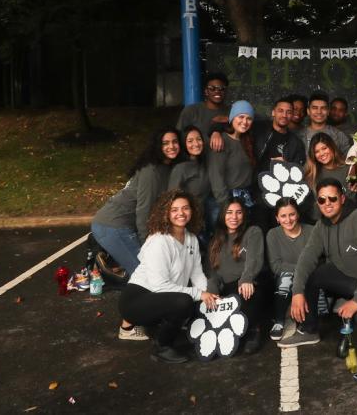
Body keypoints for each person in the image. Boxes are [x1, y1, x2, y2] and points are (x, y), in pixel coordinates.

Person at [278, 178, 357, 348]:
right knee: (312, 275)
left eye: (332, 198)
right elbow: (307, 257)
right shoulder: (322, 225)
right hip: (348, 279)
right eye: (322, 200)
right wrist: (297, 291)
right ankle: (309, 330)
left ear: (342, 199)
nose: (327, 203)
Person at [118, 189, 219, 363]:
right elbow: (159, 286)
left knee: (192, 300)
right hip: (136, 299)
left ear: (192, 210)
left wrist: (209, 295)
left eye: (185, 208)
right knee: (183, 302)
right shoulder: (159, 241)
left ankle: (160, 325)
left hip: (160, 298)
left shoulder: (191, 238)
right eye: (174, 209)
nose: (181, 213)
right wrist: (198, 294)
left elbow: (196, 274)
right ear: (165, 213)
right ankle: (162, 347)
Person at [92, 127, 181, 278]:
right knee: (147, 275)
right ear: (157, 146)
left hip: (124, 225)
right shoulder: (152, 171)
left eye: (175, 142)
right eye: (165, 143)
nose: (171, 146)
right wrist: (146, 245)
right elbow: (144, 210)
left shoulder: (167, 167)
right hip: (114, 225)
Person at [207, 197, 266, 354]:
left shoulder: (252, 232)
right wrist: (212, 291)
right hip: (226, 288)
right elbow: (213, 272)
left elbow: (254, 259)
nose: (234, 217)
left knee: (248, 294)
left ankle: (254, 330)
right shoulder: (216, 240)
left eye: (238, 212)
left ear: (244, 214)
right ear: (222, 215)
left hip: (246, 284)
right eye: (229, 212)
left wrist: (247, 279)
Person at [266, 198, 314, 341]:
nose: (288, 219)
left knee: (320, 313)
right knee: (286, 279)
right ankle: (279, 321)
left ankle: (301, 315)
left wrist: (302, 272)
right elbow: (276, 266)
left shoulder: (311, 231)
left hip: (310, 276)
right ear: (277, 218)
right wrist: (300, 270)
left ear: (298, 214)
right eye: (283, 216)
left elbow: (316, 261)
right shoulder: (273, 235)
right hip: (285, 277)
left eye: (292, 214)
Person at [208, 100, 256, 211]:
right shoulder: (221, 140)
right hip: (226, 201)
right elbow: (216, 177)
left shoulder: (247, 140)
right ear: (232, 118)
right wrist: (226, 205)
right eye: (241, 117)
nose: (245, 122)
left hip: (246, 199)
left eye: (249, 118)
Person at [176, 72, 230, 152]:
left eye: (221, 88)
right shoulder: (191, 111)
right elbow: (178, 137)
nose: (217, 91)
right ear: (206, 91)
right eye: (212, 88)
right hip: (198, 161)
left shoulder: (233, 112)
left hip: (226, 160)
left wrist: (217, 130)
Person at [254, 97, 306, 172]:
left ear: (291, 115)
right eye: (280, 111)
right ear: (273, 112)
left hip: (279, 181)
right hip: (253, 180)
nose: (284, 115)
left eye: (288, 112)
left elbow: (297, 171)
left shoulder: (296, 143)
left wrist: (286, 165)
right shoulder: (259, 129)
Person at [168, 125, 209, 212]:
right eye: (190, 141)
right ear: (184, 143)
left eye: (199, 139)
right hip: (186, 217)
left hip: (202, 216)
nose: (196, 144)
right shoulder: (180, 168)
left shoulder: (205, 162)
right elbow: (172, 198)